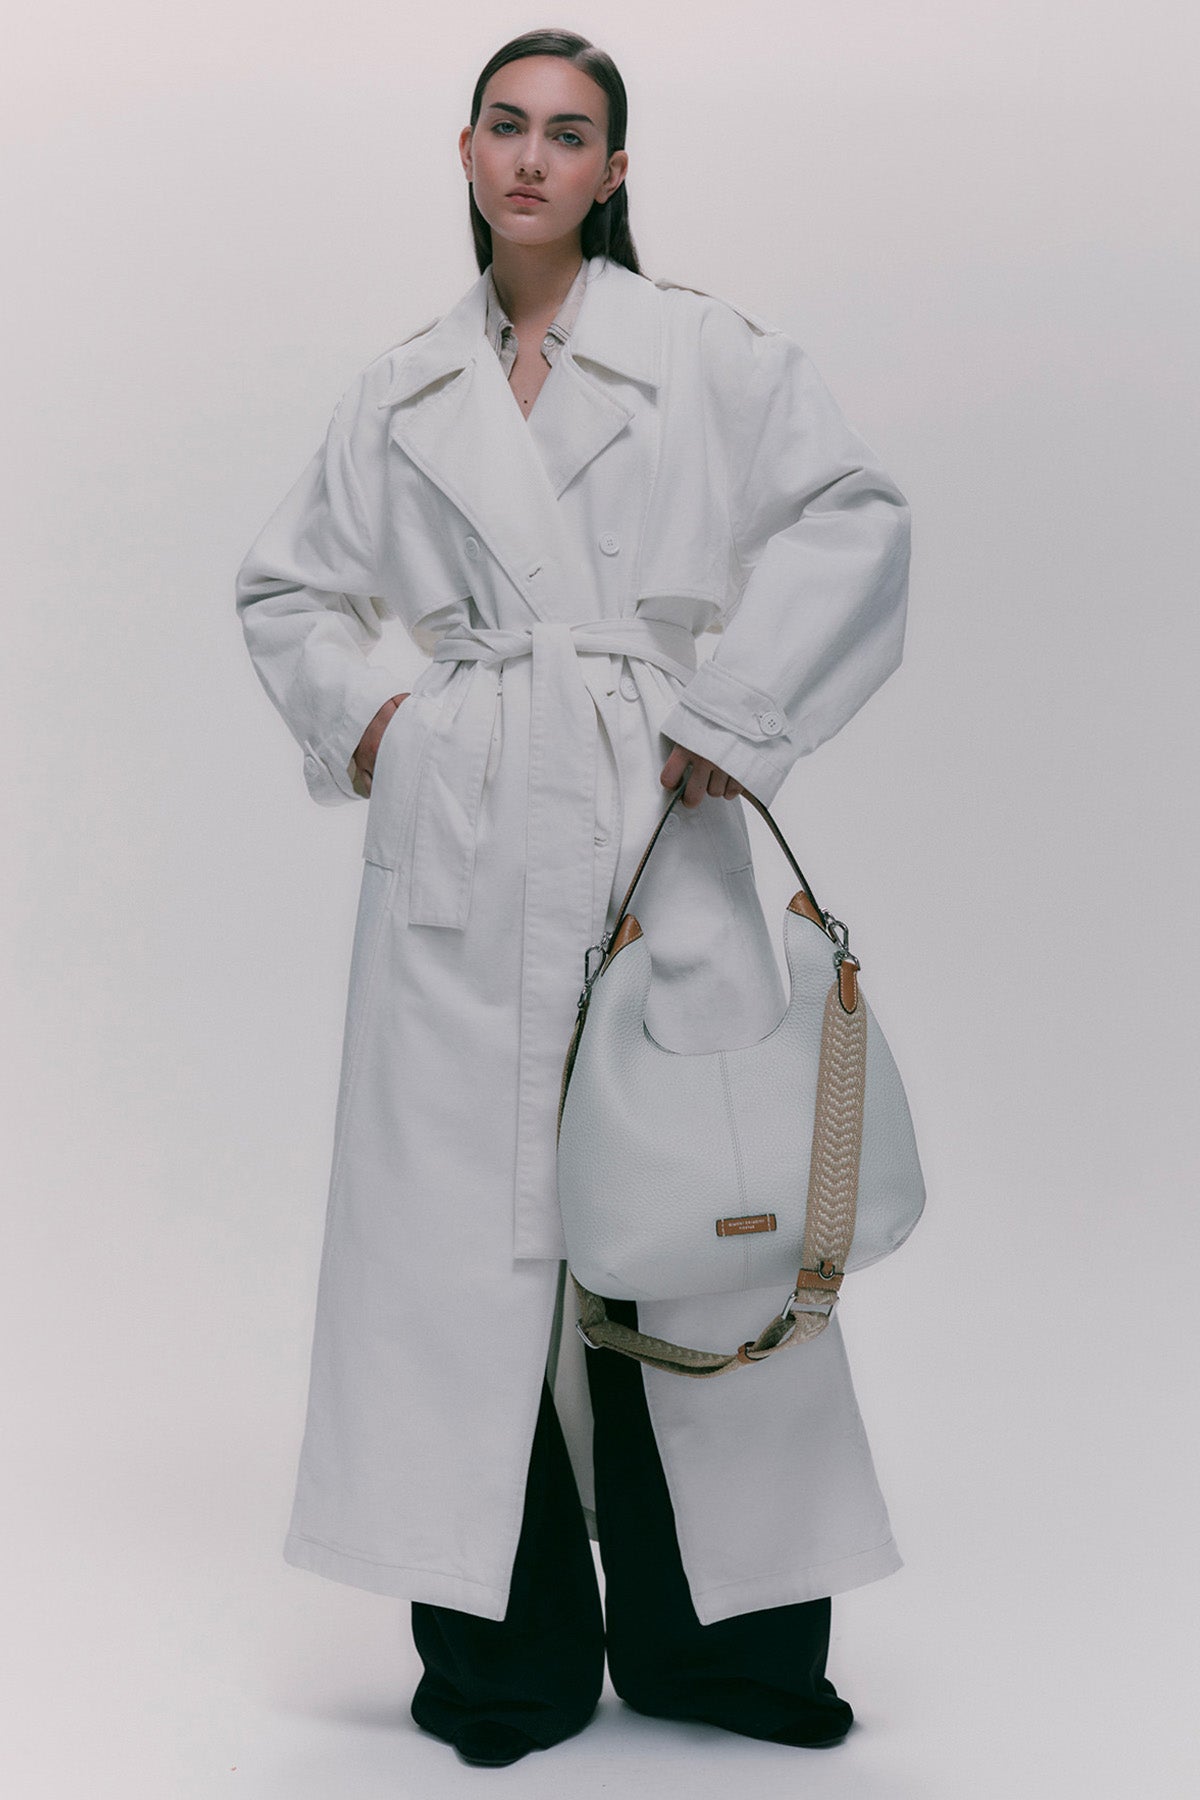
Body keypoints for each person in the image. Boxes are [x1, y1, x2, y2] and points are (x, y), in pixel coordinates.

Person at [235, 26, 912, 1772]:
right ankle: (504, 1668)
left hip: (650, 812)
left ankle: (728, 1655)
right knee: (463, 1257)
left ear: (614, 170)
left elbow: (855, 516)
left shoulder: (700, 351)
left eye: (570, 132)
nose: (533, 157)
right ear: (466, 153)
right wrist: (383, 728)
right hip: (462, 837)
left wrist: (734, 716)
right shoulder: (398, 390)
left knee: (689, 1221)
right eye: (506, 126)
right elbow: (287, 590)